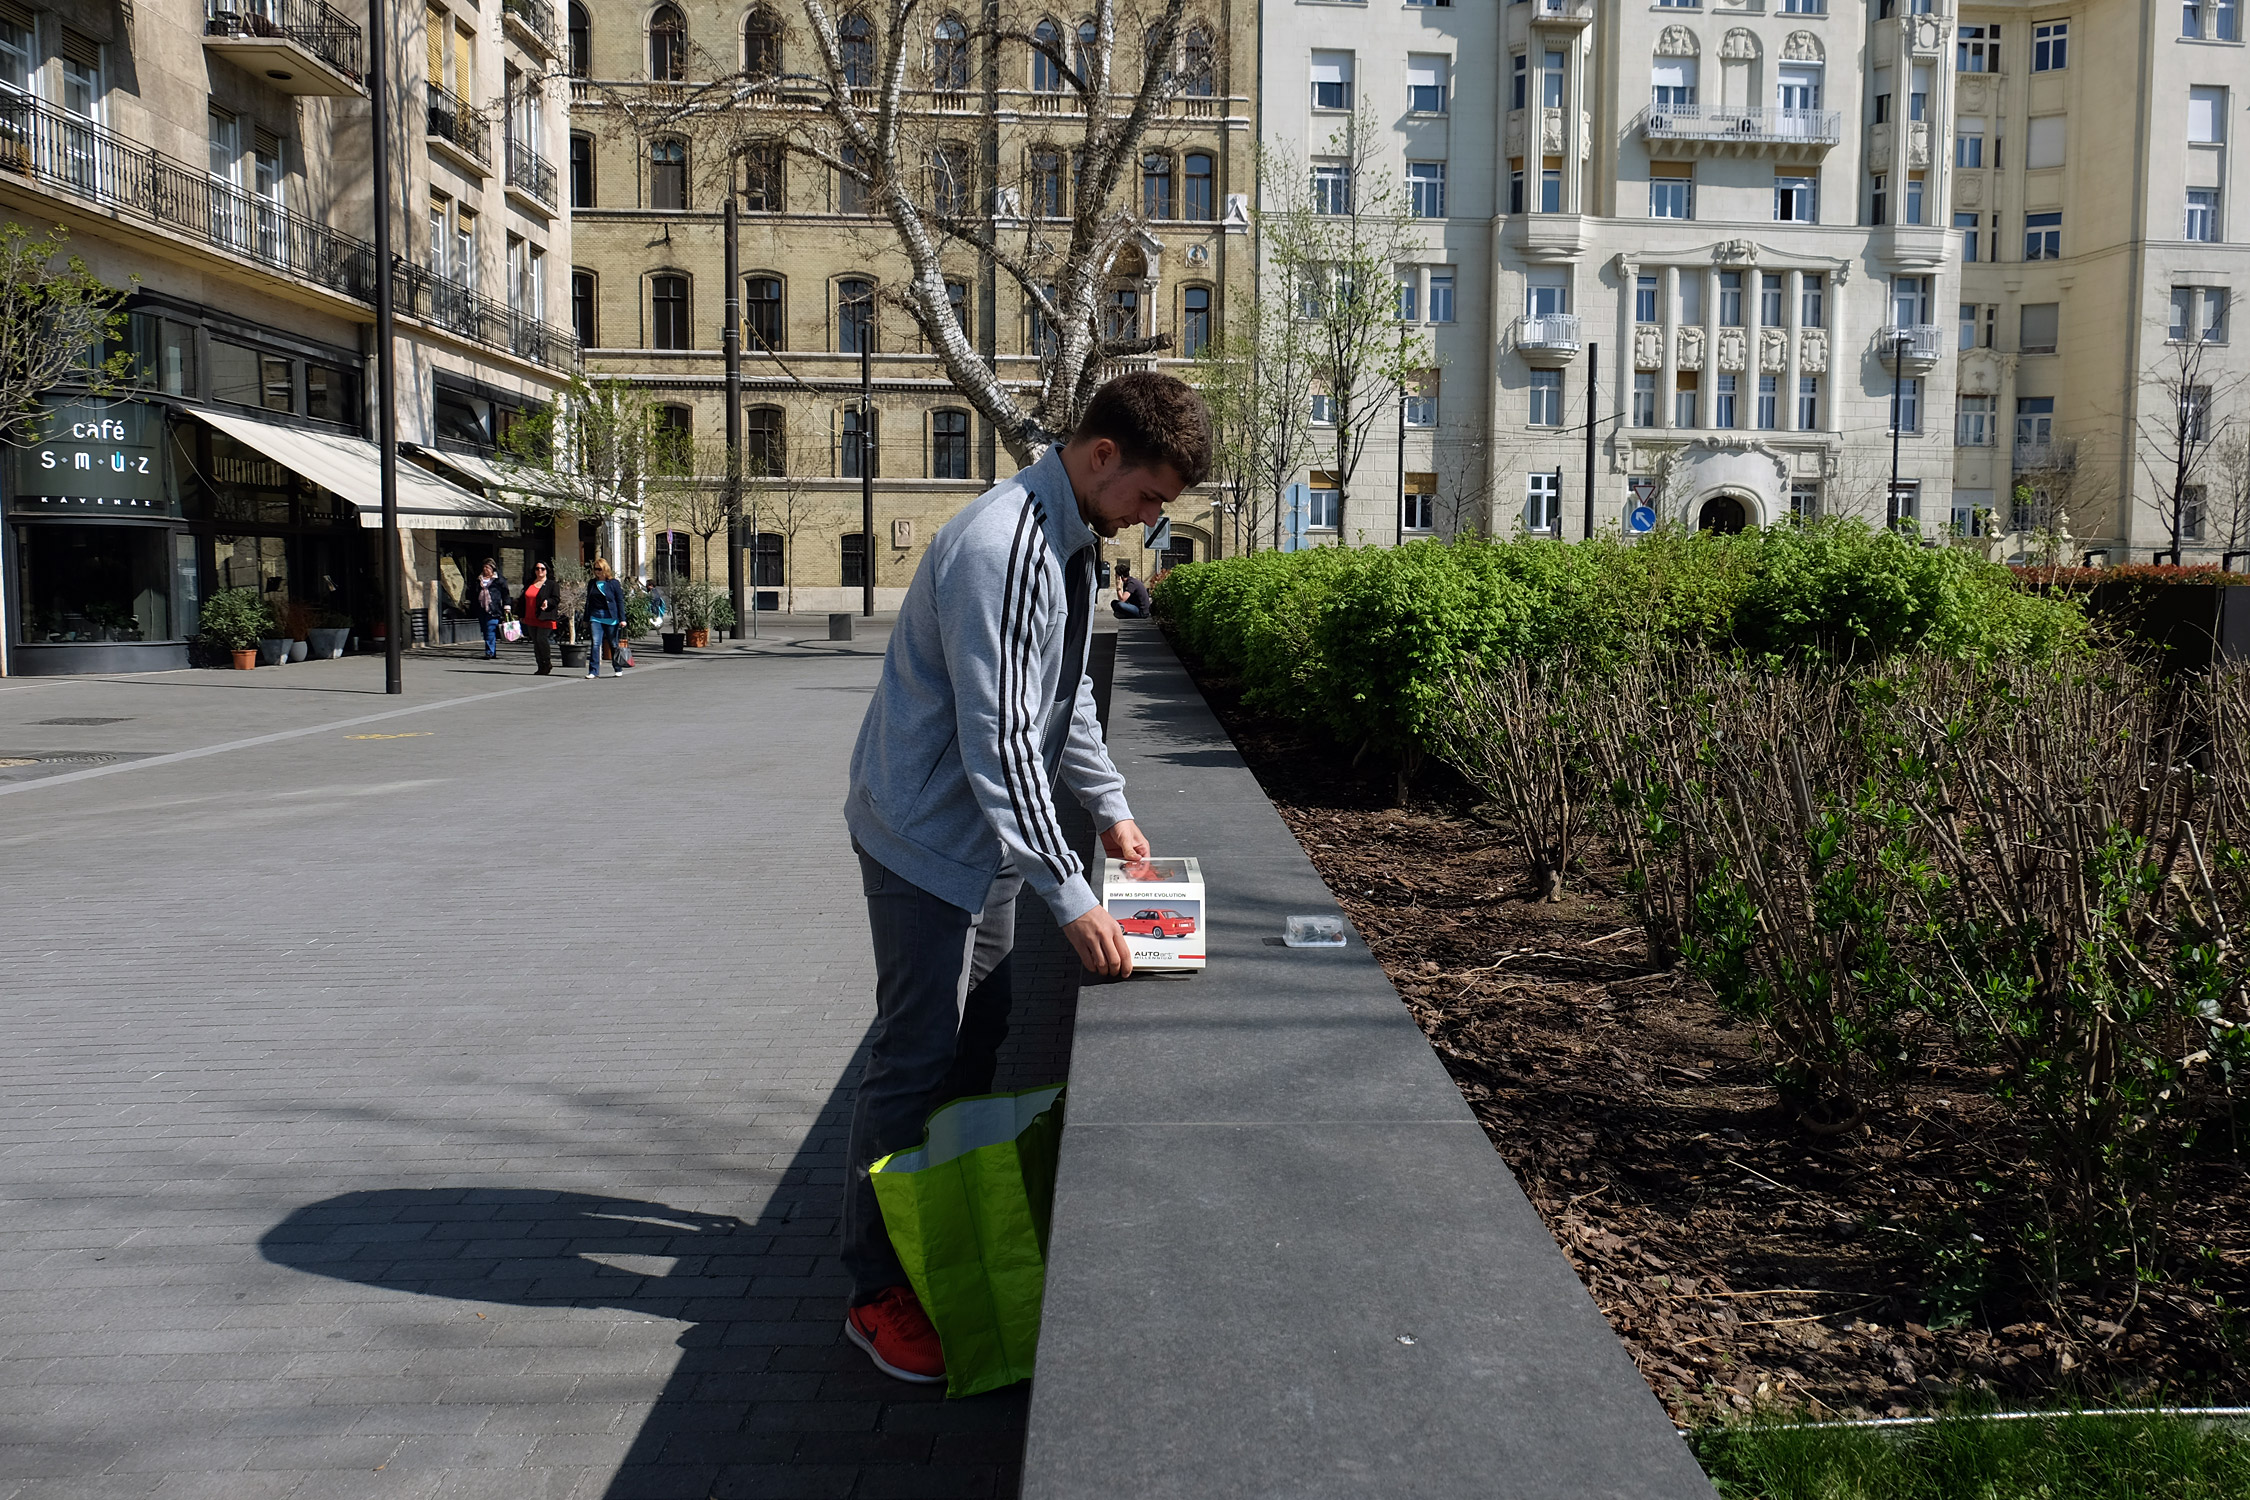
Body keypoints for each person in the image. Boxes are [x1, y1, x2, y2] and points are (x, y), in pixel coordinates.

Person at [839, 371, 1212, 1384]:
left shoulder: (1072, 542)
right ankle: (875, 1289)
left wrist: (1116, 809)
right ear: (1101, 458)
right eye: (1148, 496)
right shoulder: (1005, 548)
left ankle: (939, 1232)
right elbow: (1002, 743)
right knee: (915, 1054)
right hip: (924, 840)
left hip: (989, 840)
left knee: (982, 1035)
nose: (1148, 520)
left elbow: (1064, 706)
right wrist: (1075, 894)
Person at [585, 558, 624, 679]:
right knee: (595, 644)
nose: (598, 572)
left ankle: (617, 667)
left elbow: (619, 601)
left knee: (613, 643)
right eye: (596, 569)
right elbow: (588, 601)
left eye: (600, 569)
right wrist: (586, 618)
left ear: (605, 569)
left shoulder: (613, 583)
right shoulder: (592, 583)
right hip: (595, 617)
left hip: (611, 617)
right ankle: (593, 671)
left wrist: (623, 618)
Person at [522, 561, 559, 675]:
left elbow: (556, 599)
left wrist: (548, 601)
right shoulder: (530, 583)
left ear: (547, 570)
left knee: (541, 639)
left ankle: (546, 662)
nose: (540, 571)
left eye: (542, 569)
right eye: (537, 569)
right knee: (535, 641)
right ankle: (540, 665)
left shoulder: (551, 584)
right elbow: (523, 599)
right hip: (530, 616)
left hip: (545, 616)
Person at [471, 559, 510, 659]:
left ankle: (489, 652)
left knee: (490, 629)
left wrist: (507, 606)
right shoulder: (479, 579)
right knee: (485, 630)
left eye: (488, 567)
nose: (485, 569)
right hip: (481, 608)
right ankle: (492, 650)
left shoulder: (499, 580)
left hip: (494, 609)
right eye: (484, 567)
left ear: (493, 569)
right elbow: (473, 593)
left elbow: (505, 594)